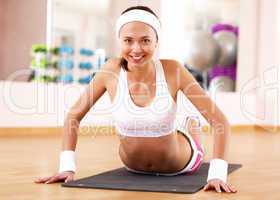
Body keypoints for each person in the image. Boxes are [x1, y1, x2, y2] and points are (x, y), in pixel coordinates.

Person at [34, 6, 237, 193]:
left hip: (182, 165)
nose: (136, 49)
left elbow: (220, 122)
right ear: (119, 41)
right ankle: (188, 123)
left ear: (156, 42)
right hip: (133, 168)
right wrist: (67, 167)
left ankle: (191, 129)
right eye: (128, 40)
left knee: (192, 134)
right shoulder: (110, 71)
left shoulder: (173, 70)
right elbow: (73, 115)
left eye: (145, 40)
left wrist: (218, 174)